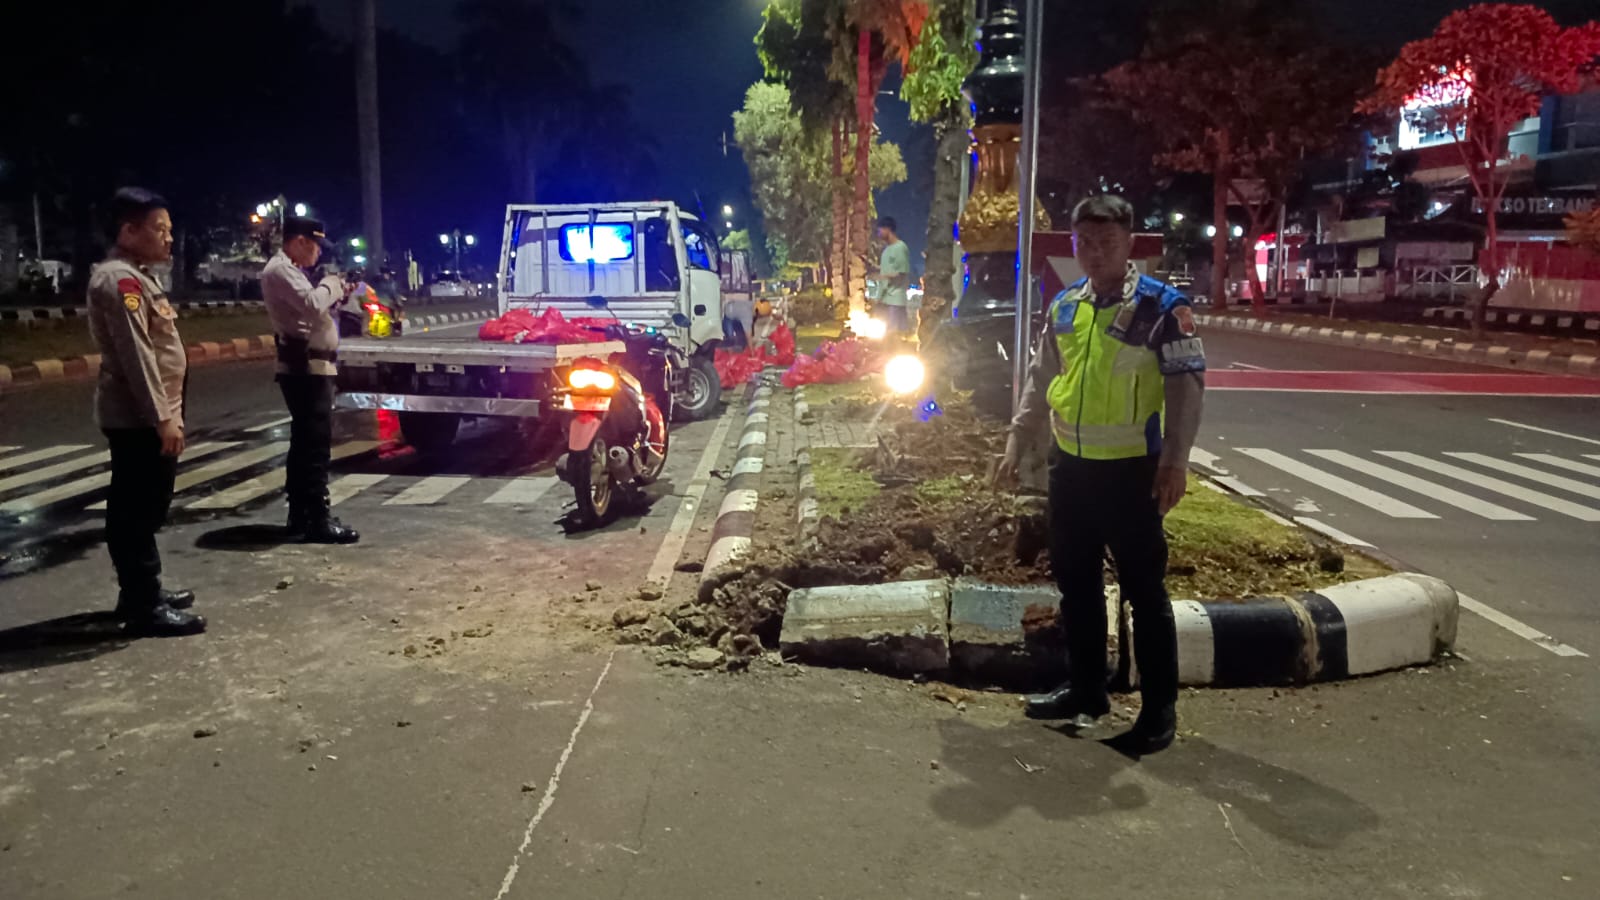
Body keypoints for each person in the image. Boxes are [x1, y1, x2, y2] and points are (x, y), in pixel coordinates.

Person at [998, 194, 1206, 756]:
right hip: (1073, 468)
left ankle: (1159, 709)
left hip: (1133, 471)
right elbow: (1042, 378)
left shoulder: (1163, 309)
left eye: (1106, 242)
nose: (1094, 253)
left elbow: (1186, 390)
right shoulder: (1065, 307)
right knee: (1077, 584)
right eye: (1084, 243)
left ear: (1129, 243)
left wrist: (1176, 461)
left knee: (1143, 590)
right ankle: (1088, 691)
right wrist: (1020, 436)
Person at [86, 188, 206, 636]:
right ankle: (143, 604)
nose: (169, 239)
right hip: (139, 418)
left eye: (170, 230)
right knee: (136, 510)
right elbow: (138, 357)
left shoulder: (136, 275)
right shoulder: (121, 282)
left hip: (148, 415)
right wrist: (162, 418)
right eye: (160, 230)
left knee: (144, 506)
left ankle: (140, 592)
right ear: (128, 231)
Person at [261, 216, 360, 544]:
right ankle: (317, 518)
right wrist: (332, 285)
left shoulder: (293, 272)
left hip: (314, 366)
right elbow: (311, 304)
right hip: (305, 368)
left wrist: (337, 295)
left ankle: (301, 513)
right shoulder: (281, 270)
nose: (318, 253)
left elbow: (315, 309)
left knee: (305, 443)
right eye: (316, 245)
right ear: (301, 241)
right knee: (314, 445)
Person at [874, 217, 912, 337]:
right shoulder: (886, 250)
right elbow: (887, 271)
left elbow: (902, 273)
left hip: (896, 300)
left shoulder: (900, 248)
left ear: (888, 229)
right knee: (888, 336)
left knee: (895, 336)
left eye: (880, 231)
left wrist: (881, 277)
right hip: (886, 299)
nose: (878, 234)